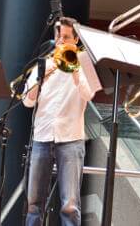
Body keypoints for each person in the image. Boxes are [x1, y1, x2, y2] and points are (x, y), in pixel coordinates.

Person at [23, 16, 96, 226]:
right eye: (58, 36)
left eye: (66, 37)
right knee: (34, 203)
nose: (61, 41)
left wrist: (75, 72)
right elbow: (28, 102)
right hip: (42, 137)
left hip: (71, 139)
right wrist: (41, 78)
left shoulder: (84, 63)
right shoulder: (44, 63)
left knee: (70, 205)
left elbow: (90, 93)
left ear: (75, 40)